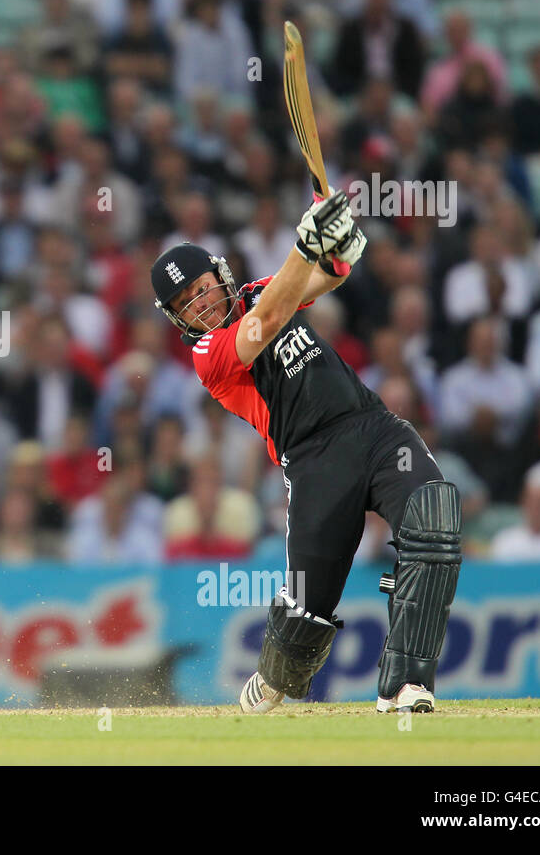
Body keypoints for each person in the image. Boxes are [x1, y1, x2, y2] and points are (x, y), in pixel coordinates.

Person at [150, 192, 461, 714]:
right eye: (187, 304)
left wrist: (338, 251)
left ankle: (405, 685)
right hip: (313, 461)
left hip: (374, 428)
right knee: (305, 619)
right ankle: (272, 676)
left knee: (434, 524)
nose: (201, 305)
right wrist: (306, 243)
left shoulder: (260, 292)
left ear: (221, 276)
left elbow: (324, 278)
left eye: (201, 289)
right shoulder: (209, 357)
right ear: (178, 320)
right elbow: (267, 323)